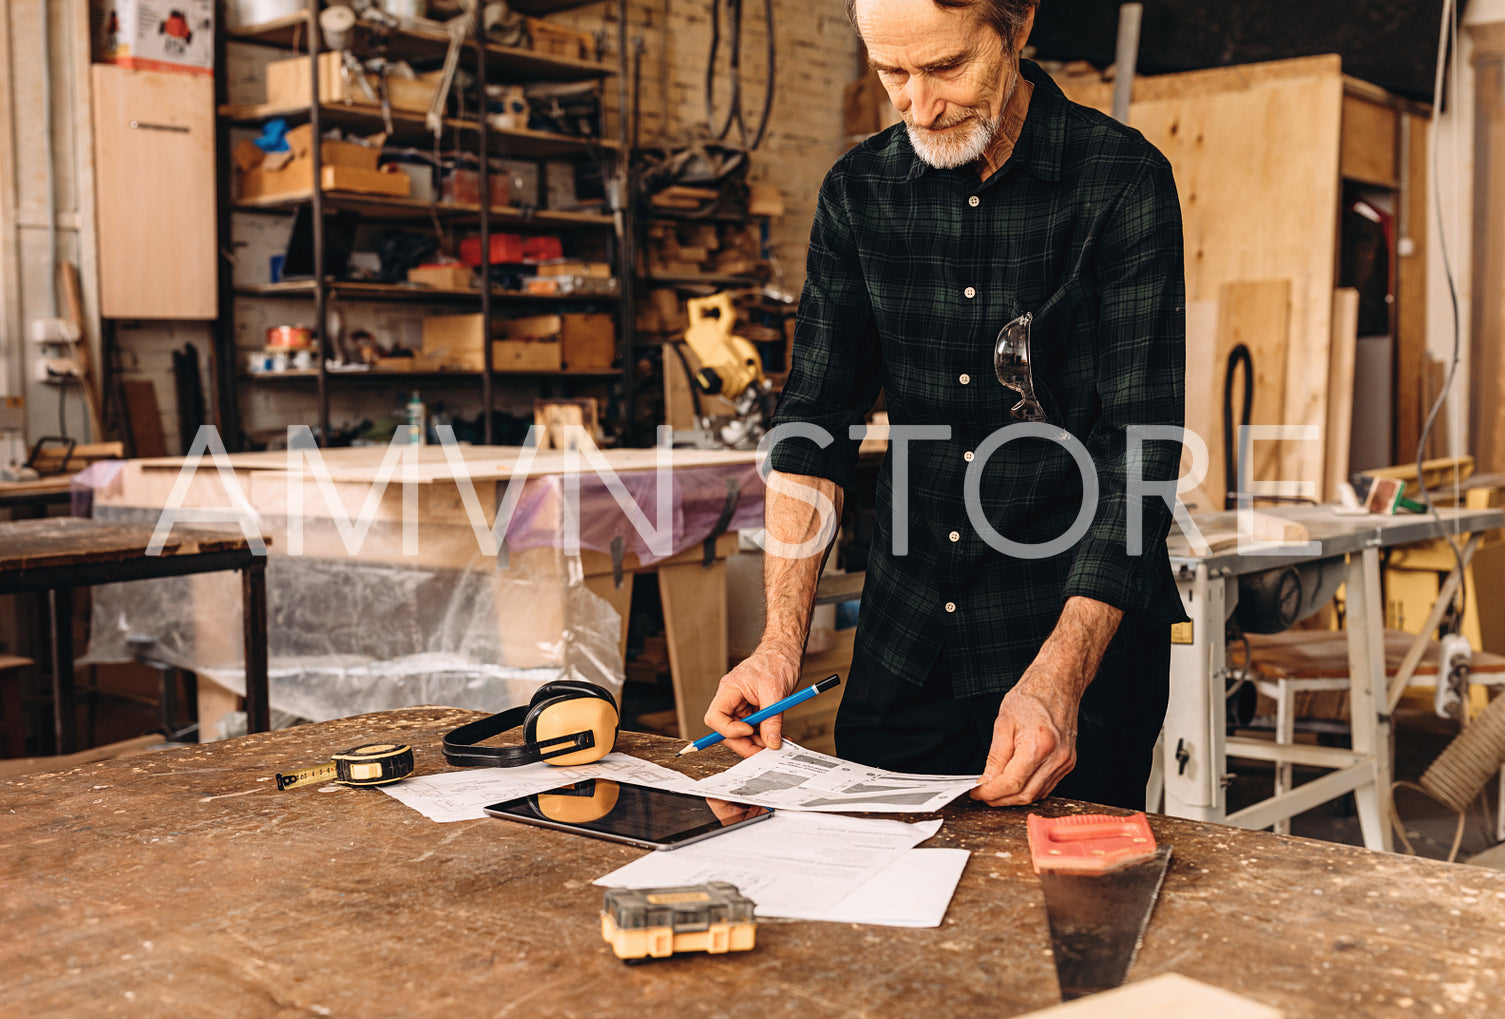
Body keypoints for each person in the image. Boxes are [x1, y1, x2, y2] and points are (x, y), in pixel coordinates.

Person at [703, 0, 1189, 812]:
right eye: (892, 73)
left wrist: (1059, 674)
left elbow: (1136, 452)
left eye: (945, 68)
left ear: (1017, 26)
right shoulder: (858, 194)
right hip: (908, 643)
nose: (918, 106)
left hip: (1072, 645)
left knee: (1062, 915)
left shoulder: (1120, 182)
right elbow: (813, 426)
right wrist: (777, 645)